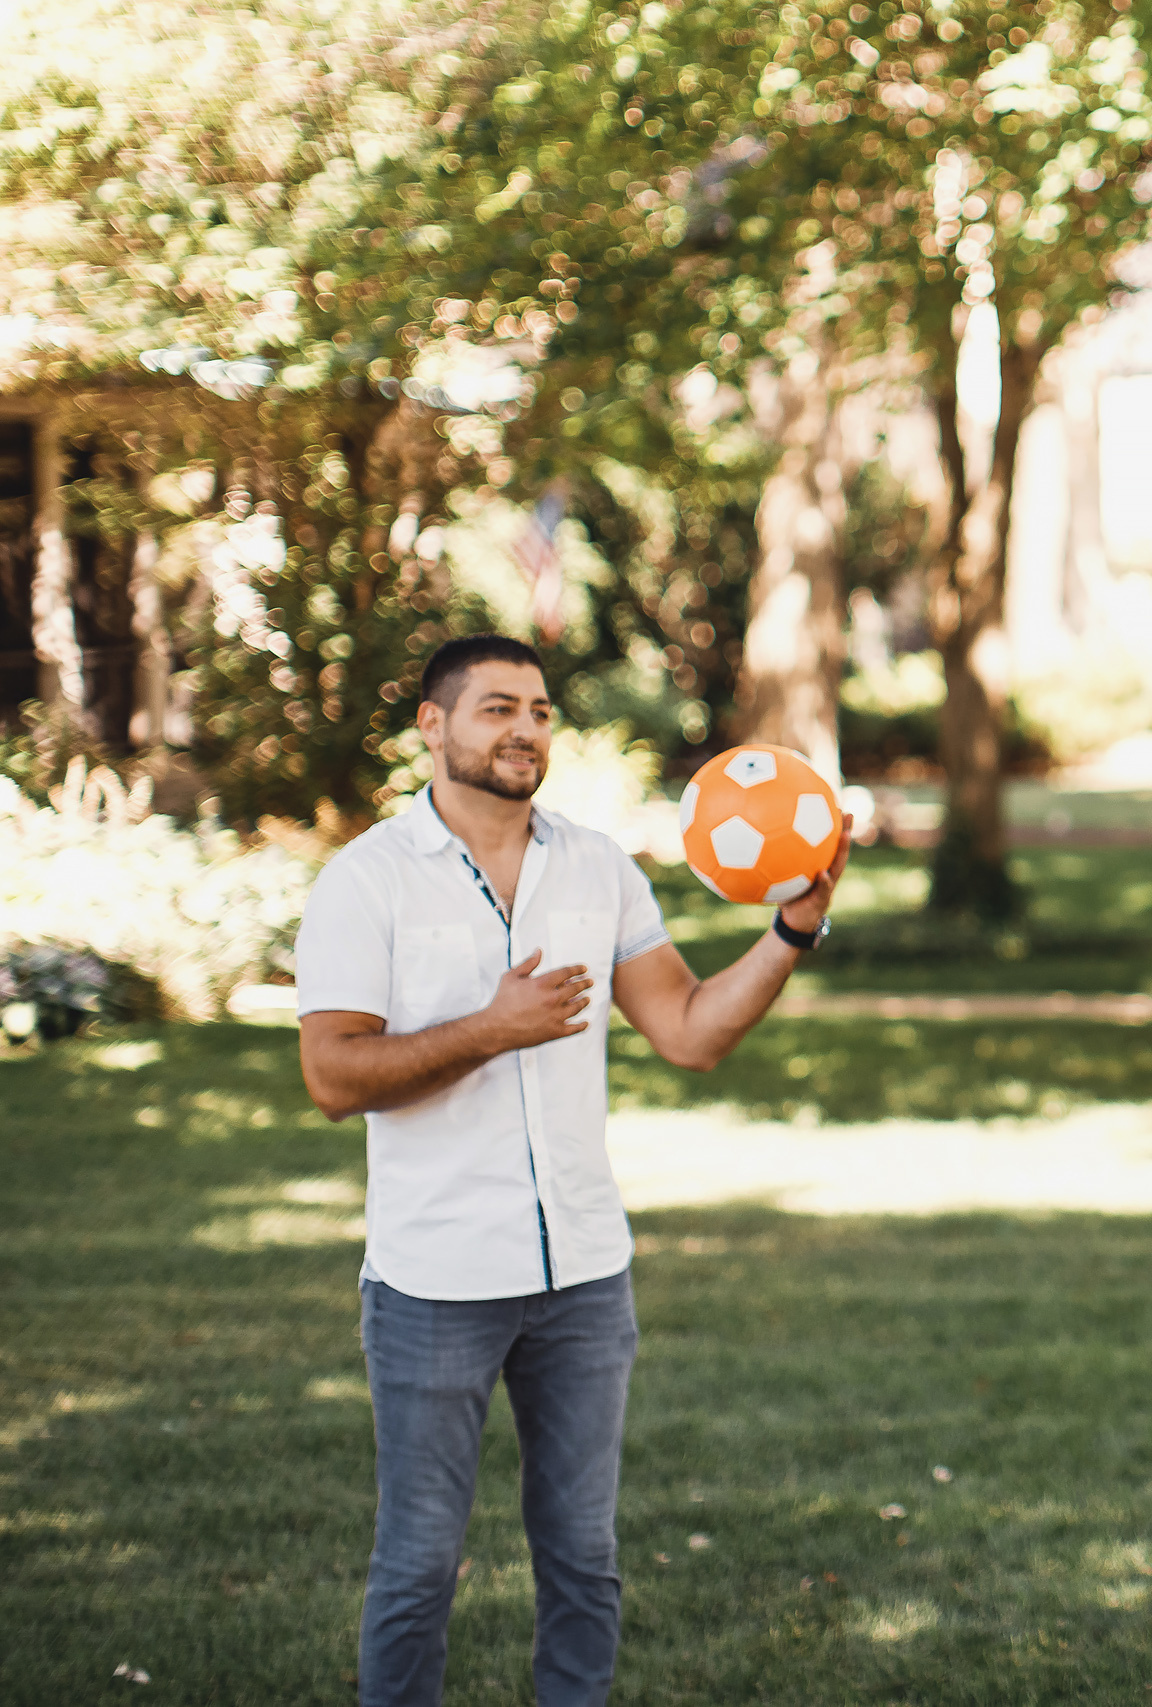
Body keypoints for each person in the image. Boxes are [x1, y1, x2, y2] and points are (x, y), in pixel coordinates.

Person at [294, 635, 851, 1707]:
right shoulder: (367, 882)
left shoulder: (597, 866)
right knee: (416, 1571)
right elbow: (332, 1075)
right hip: (435, 1284)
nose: (524, 730)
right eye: (497, 708)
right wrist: (492, 1028)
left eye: (540, 711)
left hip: (585, 1279)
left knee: (584, 1565)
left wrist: (792, 931)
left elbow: (689, 1032)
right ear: (434, 726)